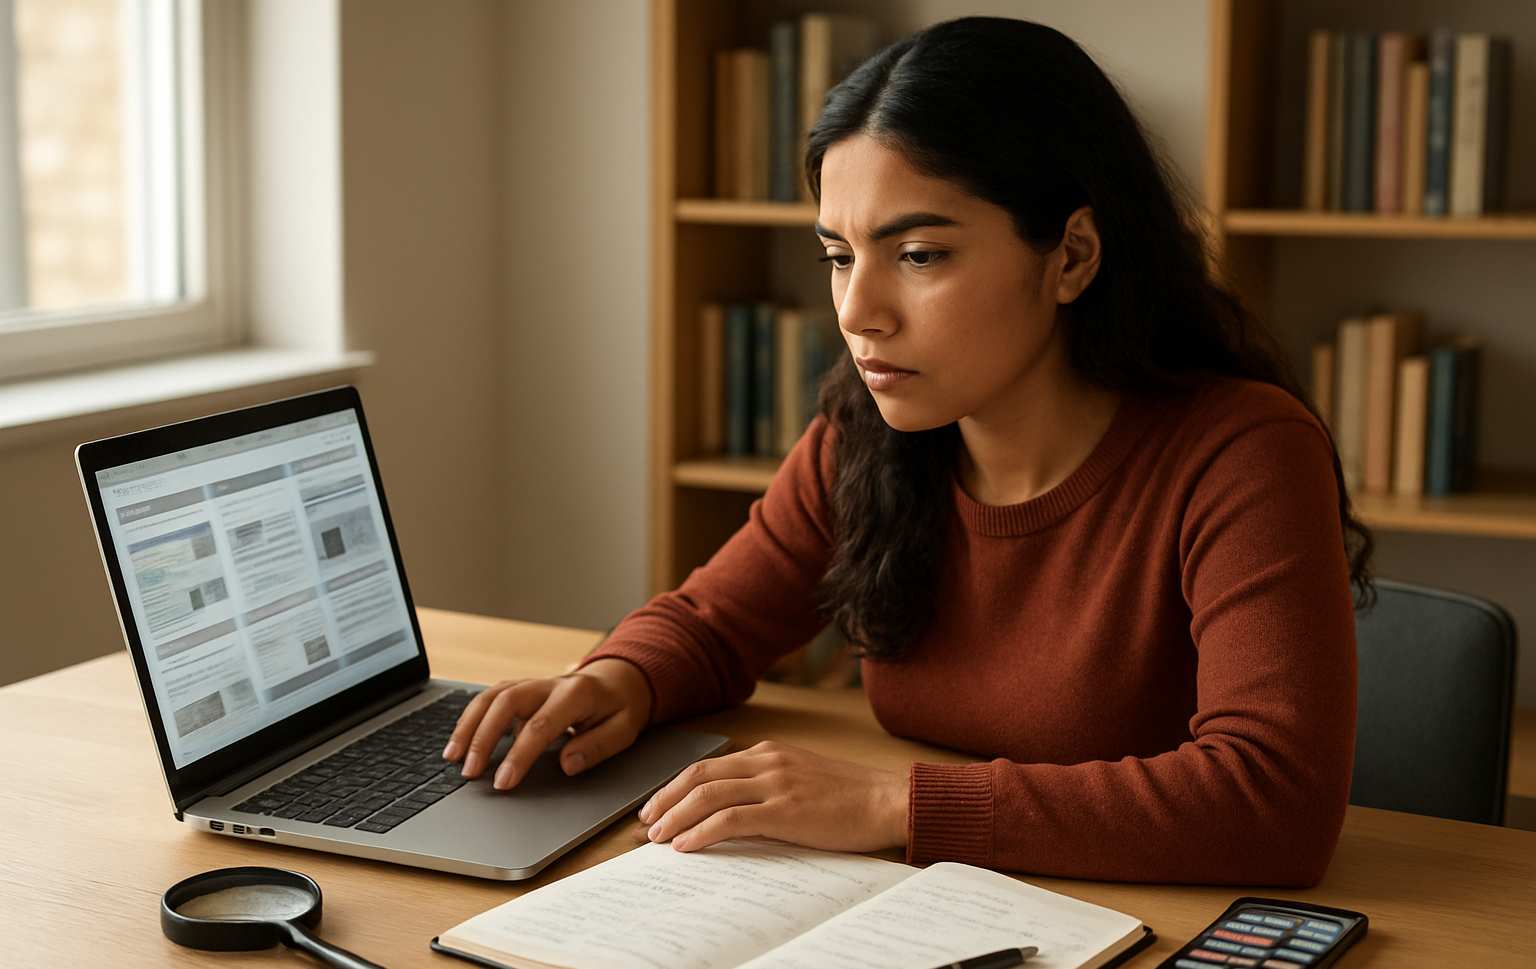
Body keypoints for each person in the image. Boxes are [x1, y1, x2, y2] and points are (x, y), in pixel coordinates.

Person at [441, 17, 1371, 886]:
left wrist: (892, 804)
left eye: (919, 254)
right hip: (927, 903)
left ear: (1074, 256)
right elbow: (719, 623)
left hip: (1150, 926)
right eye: (839, 255)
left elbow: (1272, 801)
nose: (857, 313)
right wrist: (620, 677)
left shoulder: (1242, 452)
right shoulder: (869, 429)